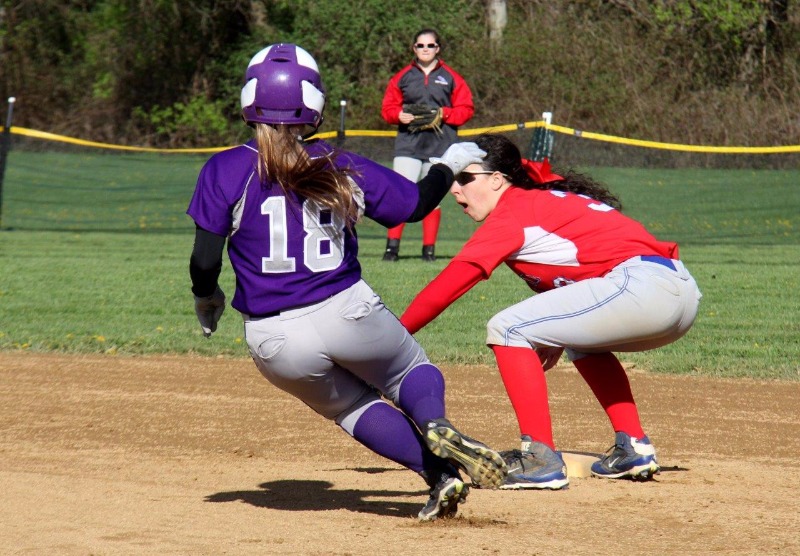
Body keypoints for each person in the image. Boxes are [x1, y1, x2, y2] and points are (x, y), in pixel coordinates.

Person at [186, 44, 506, 521]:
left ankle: (439, 477)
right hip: (345, 308)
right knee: (405, 373)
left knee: (352, 408)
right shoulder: (336, 162)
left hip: (273, 338)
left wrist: (206, 297)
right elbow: (412, 206)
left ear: (249, 98)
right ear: (313, 103)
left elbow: (205, 259)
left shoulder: (226, 168)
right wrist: (448, 160)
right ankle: (434, 421)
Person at [400, 133, 702, 490]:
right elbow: (586, 270)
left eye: (465, 178)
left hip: (641, 286)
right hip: (675, 291)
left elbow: (448, 286)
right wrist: (558, 335)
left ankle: (539, 458)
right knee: (582, 343)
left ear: (497, 180)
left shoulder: (514, 211)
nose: (455, 190)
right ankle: (633, 447)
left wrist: (390, 336)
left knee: (507, 327)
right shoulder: (539, 203)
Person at [380, 28, 475, 262]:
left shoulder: (451, 77)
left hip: (440, 145)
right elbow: (387, 108)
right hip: (409, 144)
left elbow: (466, 109)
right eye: (420, 45)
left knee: (432, 198)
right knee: (399, 194)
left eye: (430, 45)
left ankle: (428, 251)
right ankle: (392, 249)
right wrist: (397, 115)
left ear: (437, 48)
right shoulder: (403, 76)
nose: (425, 49)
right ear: (414, 48)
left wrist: (445, 113)